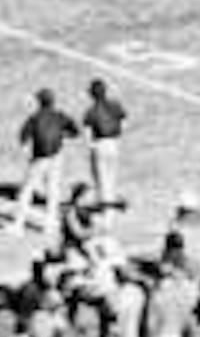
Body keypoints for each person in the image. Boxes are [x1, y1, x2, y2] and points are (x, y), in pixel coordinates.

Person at [8, 86, 78, 241]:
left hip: (40, 158)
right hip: (56, 156)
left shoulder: (35, 118)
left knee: (27, 190)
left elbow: (23, 137)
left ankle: (18, 224)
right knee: (53, 190)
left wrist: (27, 153)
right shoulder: (60, 116)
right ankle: (49, 225)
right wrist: (63, 135)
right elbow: (75, 130)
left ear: (39, 102)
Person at [81, 76, 129, 209]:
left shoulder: (91, 111)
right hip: (114, 143)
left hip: (100, 144)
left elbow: (87, 133)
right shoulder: (115, 105)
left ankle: (105, 206)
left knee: (101, 179)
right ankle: (110, 200)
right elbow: (124, 122)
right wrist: (118, 136)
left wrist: (91, 146)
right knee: (111, 175)